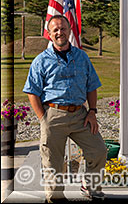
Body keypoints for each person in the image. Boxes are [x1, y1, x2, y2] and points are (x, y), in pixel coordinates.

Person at [23, 15, 107, 203]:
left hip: (80, 115)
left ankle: (90, 187)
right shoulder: (40, 61)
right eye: (55, 30)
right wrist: (43, 119)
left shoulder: (82, 57)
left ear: (69, 31)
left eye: (63, 29)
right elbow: (32, 92)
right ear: (49, 34)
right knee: (53, 162)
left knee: (99, 150)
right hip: (53, 115)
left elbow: (91, 86)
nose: (60, 32)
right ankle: (55, 197)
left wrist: (92, 111)